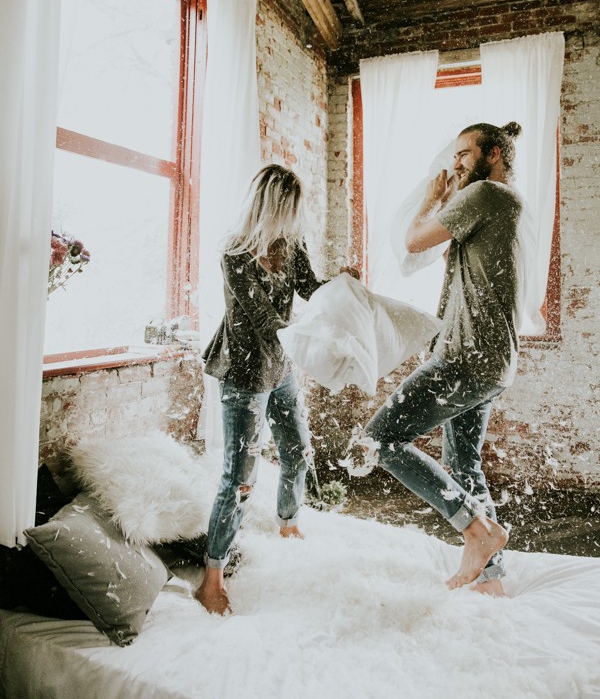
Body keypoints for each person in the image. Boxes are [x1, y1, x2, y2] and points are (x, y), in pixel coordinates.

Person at [365, 121, 527, 596]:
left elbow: (414, 241)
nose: (454, 163)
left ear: (494, 153)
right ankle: (491, 577)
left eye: (463, 154)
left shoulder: (486, 197)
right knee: (464, 465)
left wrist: (433, 198)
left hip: (467, 357)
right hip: (490, 360)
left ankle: (478, 532)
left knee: (381, 439)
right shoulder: (502, 203)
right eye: (454, 156)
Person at [196, 164, 356, 615]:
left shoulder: (292, 245)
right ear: (272, 206)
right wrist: (310, 337)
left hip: (280, 367)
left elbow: (311, 288)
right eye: (290, 209)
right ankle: (213, 575)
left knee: (298, 451)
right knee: (240, 477)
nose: (295, 218)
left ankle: (287, 524)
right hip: (245, 373)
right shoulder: (234, 252)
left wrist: (341, 284)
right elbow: (261, 318)